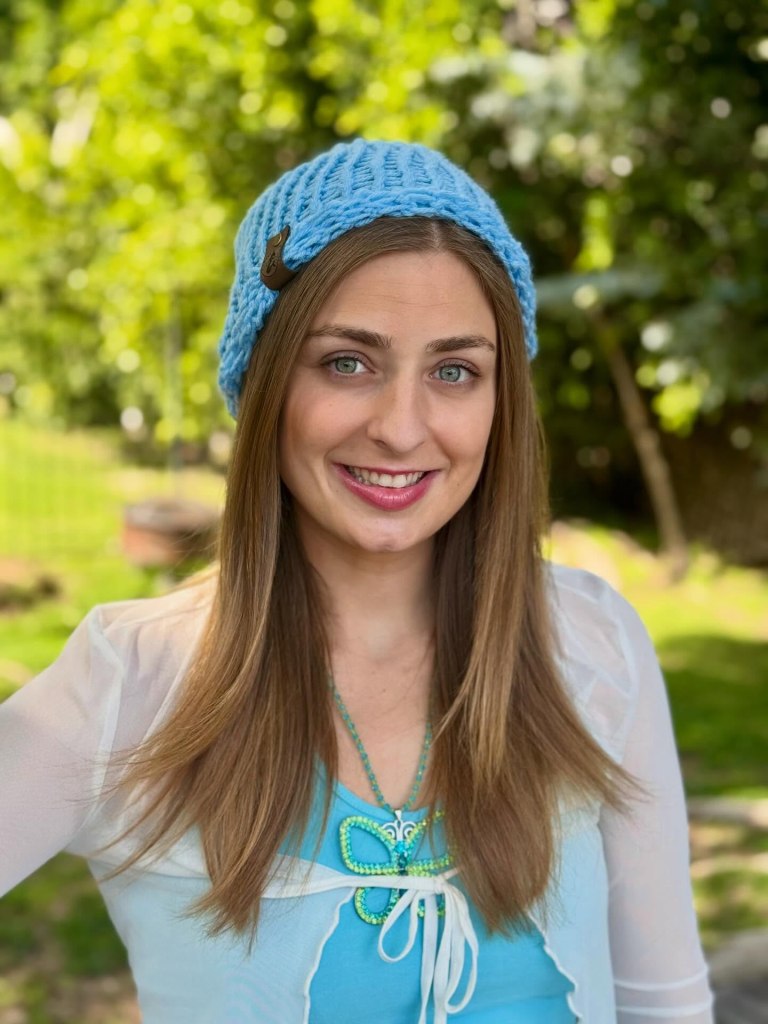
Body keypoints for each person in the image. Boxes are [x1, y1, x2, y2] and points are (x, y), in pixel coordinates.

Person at [0, 139, 714, 1024]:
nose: (403, 428)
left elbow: (666, 1008)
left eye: (454, 371)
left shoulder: (593, 644)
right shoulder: (132, 683)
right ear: (266, 380)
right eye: (348, 362)